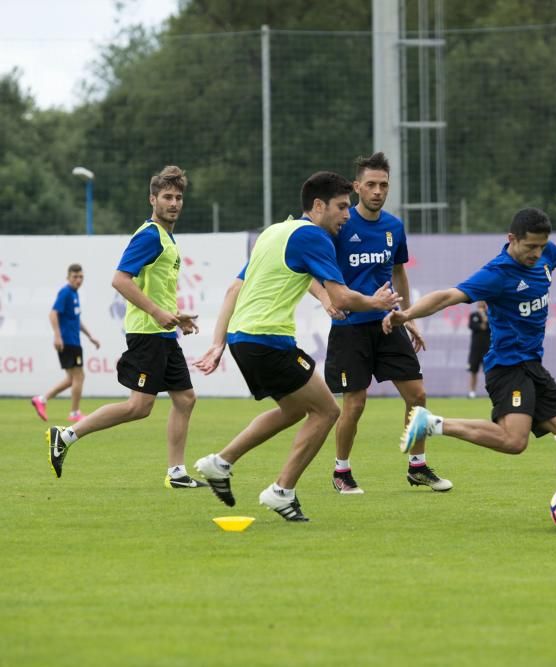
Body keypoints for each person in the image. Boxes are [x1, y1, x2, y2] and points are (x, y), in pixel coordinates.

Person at [385, 208, 556, 522]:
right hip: (507, 367)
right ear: (511, 239)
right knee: (514, 441)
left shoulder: (544, 253)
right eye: (530, 247)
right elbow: (448, 296)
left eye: (541, 247)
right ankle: (432, 424)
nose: (537, 254)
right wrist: (406, 315)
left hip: (532, 366)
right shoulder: (497, 273)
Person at [192, 171, 400, 522]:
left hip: (245, 339)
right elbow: (342, 296)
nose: (347, 215)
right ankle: (281, 491)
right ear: (318, 206)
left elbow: (233, 290)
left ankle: (219, 463)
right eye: (341, 207)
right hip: (268, 339)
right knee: (327, 411)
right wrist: (377, 303)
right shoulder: (313, 237)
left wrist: (218, 343)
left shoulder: (275, 232)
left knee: (293, 410)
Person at [46, 166, 205, 489]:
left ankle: (176, 473)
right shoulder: (149, 235)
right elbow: (120, 280)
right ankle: (65, 435)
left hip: (162, 332)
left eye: (178, 197)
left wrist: (175, 316)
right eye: (167, 197)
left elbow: (153, 288)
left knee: (185, 399)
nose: (174, 203)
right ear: (153, 199)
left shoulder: (165, 237)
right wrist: (158, 313)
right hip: (147, 334)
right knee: (138, 407)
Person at [314, 152, 451, 495]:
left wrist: (409, 316)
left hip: (388, 324)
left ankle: (417, 466)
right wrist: (327, 299)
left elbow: (399, 271)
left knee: (417, 394)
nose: (377, 191)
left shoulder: (393, 226)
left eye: (384, 185)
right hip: (350, 329)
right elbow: (309, 272)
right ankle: (341, 471)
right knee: (355, 404)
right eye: (371, 184)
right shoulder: (339, 225)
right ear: (357, 186)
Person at [31, 264, 101, 423]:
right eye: (75, 277)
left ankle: (42, 399)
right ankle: (75, 413)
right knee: (79, 376)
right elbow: (53, 313)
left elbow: (76, 320)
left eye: (81, 277)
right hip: (68, 342)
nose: (78, 280)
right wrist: (57, 336)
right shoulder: (66, 292)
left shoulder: (75, 294)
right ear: (68, 277)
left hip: (74, 341)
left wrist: (90, 336)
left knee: (71, 379)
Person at [467, 301, 490, 398]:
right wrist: (481, 326)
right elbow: (472, 326)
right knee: (473, 371)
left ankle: (491, 391)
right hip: (475, 349)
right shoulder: (473, 315)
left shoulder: (490, 315)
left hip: (487, 349)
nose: (480, 304)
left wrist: (483, 316)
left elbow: (488, 327)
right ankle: (472, 392)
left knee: (489, 372)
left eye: (483, 303)